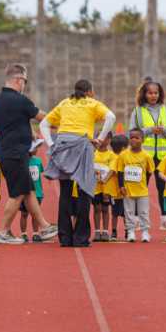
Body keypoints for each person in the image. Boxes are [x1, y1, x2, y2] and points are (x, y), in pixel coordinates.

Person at [40, 79, 116, 247]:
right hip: (82, 144)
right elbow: (111, 117)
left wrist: (51, 144)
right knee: (85, 191)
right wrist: (100, 139)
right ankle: (80, 238)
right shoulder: (92, 103)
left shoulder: (64, 103)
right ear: (89, 91)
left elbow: (44, 123)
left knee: (65, 192)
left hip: (62, 145)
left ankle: (65, 237)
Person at [0, 63, 58, 244]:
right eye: (25, 81)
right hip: (15, 153)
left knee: (28, 190)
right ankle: (3, 231)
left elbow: (16, 119)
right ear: (19, 80)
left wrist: (29, 131)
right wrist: (65, 123)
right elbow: (44, 118)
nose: (25, 85)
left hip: (6, 151)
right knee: (18, 193)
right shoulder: (21, 101)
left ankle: (44, 226)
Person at [129, 80, 166, 231]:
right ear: (144, 94)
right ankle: (136, 219)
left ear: (160, 94)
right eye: (150, 93)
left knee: (163, 188)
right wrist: (149, 130)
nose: (153, 96)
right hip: (143, 156)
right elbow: (132, 133)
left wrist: (164, 130)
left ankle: (165, 219)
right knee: (139, 186)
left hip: (163, 156)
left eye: (156, 93)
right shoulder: (137, 111)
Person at [117, 128, 155, 242]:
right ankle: (131, 231)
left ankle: (145, 232)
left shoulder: (146, 156)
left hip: (142, 190)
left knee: (143, 212)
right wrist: (121, 186)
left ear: (142, 140)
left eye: (136, 138)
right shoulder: (123, 155)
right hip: (128, 190)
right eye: (131, 137)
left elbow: (149, 172)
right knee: (129, 212)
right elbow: (120, 171)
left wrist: (145, 185)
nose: (133, 140)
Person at [19, 139, 45, 242]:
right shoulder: (22, 161)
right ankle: (23, 234)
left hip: (37, 192)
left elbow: (39, 176)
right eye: (35, 148)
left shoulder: (38, 161)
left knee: (35, 214)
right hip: (25, 192)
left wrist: (41, 191)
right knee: (24, 214)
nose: (37, 150)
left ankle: (35, 233)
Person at [92, 135, 116, 242]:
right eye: (100, 137)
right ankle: (97, 231)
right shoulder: (93, 153)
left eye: (106, 138)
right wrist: (95, 174)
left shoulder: (111, 155)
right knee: (96, 208)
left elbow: (112, 169)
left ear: (109, 140)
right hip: (95, 186)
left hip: (107, 187)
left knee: (105, 209)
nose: (102, 140)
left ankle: (105, 231)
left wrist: (105, 179)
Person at [108, 134, 129, 241]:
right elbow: (113, 171)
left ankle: (114, 232)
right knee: (124, 213)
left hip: (116, 191)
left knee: (115, 214)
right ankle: (126, 231)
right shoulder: (119, 158)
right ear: (123, 148)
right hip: (120, 191)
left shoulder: (112, 157)